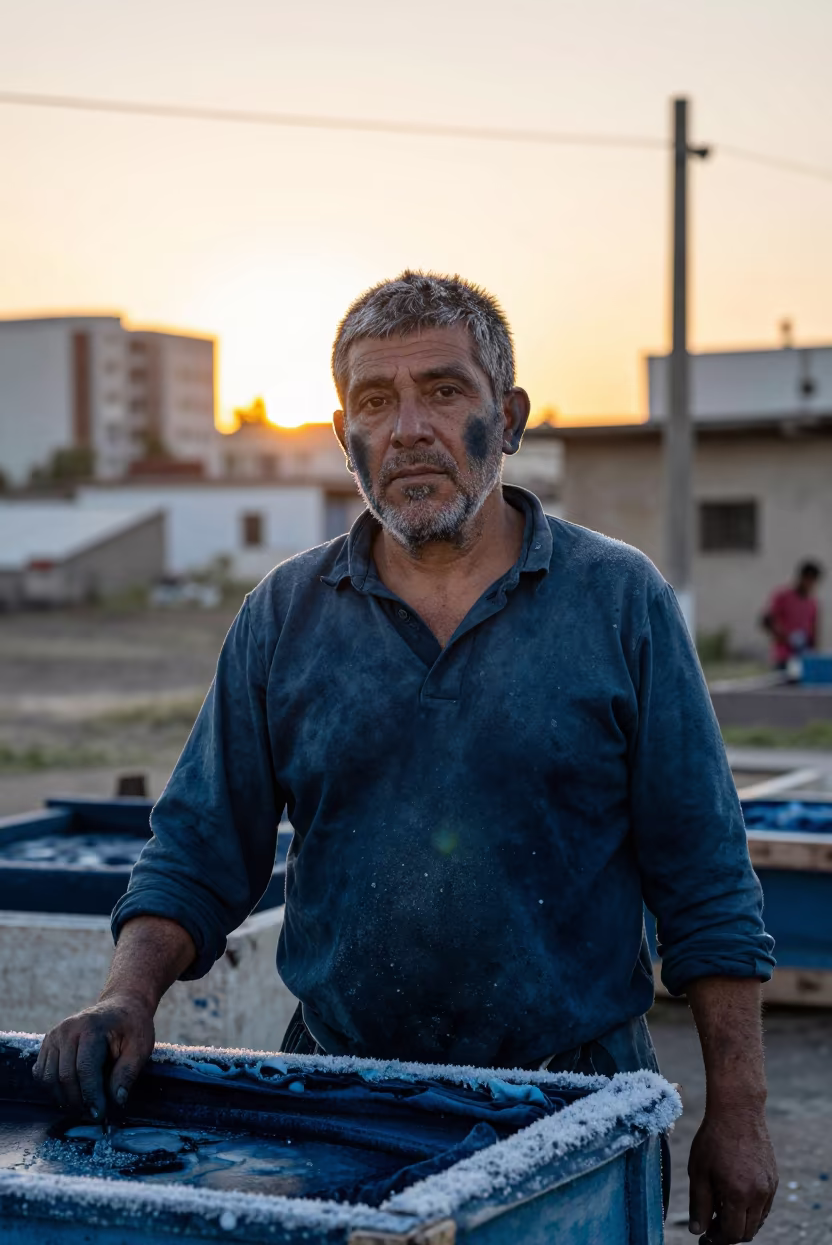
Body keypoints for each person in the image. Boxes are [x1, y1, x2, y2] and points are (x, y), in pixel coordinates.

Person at [37, 272, 777, 1244]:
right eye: (375, 402)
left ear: (505, 419)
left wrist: (741, 1110)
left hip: (575, 1099)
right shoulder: (285, 615)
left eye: (443, 391)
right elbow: (198, 848)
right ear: (344, 435)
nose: (408, 428)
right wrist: (124, 998)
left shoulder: (616, 601)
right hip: (345, 1098)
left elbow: (704, 877)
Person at [762, 561, 822, 669]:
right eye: (810, 580)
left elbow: (813, 629)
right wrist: (785, 638)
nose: (811, 584)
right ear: (803, 577)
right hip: (784, 656)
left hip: (803, 657)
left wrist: (813, 652)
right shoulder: (783, 596)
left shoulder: (812, 603)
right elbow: (767, 620)